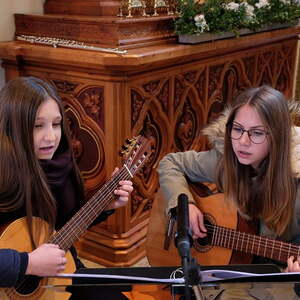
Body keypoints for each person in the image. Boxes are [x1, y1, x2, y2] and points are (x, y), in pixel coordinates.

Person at [158, 86, 300, 299]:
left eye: (257, 133)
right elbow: (170, 163)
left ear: (277, 136)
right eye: (237, 129)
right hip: (235, 268)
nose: (242, 141)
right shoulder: (225, 161)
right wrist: (185, 205)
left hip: (275, 271)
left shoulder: (296, 181)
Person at [0, 76, 133, 288]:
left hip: (57, 276)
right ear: (13, 128)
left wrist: (104, 207)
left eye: (56, 124)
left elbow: (62, 228)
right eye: (37, 126)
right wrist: (27, 263)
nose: (51, 137)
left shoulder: (60, 164)